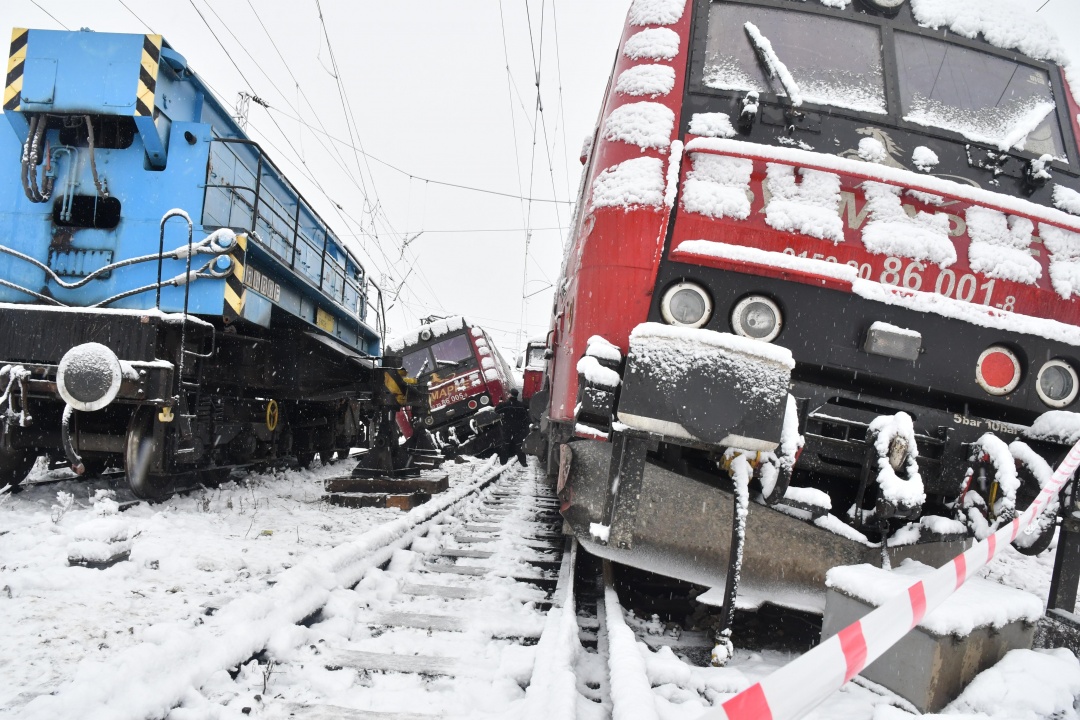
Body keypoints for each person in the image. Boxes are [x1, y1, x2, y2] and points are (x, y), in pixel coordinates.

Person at [495, 388, 530, 465]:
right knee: (519, 444)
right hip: (518, 428)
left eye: (509, 393)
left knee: (505, 444)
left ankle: (503, 461)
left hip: (507, 427)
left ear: (510, 395)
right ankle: (523, 462)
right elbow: (525, 417)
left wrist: (500, 402)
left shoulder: (505, 405)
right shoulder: (521, 405)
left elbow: (497, 410)